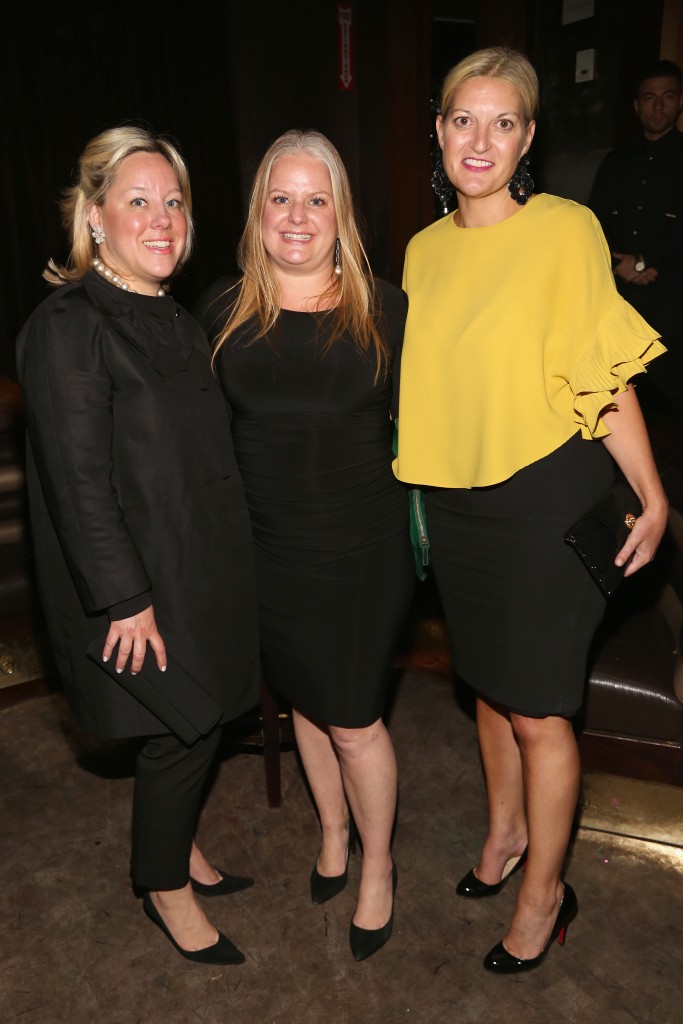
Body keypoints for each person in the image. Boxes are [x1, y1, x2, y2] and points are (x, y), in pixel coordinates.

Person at [394, 47, 669, 974]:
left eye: (502, 122)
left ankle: (546, 894)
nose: (480, 140)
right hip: (459, 506)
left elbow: (601, 370)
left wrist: (654, 490)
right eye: (462, 120)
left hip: (546, 497)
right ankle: (504, 833)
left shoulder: (564, 231)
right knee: (486, 687)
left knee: (542, 712)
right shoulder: (422, 252)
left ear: (528, 138)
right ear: (438, 132)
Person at [15, 125, 261, 966]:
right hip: (139, 581)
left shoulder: (176, 319)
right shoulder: (68, 327)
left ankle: (178, 846)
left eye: (173, 201)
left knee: (202, 725)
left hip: (199, 564)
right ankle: (161, 883)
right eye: (137, 202)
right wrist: (124, 599)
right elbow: (76, 483)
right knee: (182, 729)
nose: (162, 219)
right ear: (92, 218)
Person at [195, 129, 413, 961]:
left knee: (353, 718)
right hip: (266, 550)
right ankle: (331, 834)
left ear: (339, 214)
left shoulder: (385, 307)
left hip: (362, 549)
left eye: (315, 198)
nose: (297, 215)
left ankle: (379, 865)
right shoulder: (220, 308)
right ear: (258, 213)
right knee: (305, 706)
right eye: (280, 198)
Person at [588, 59, 683, 422]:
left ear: (679, 102)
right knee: (617, 399)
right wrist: (619, 264)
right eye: (649, 97)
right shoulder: (615, 162)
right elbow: (592, 223)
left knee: (670, 403)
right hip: (619, 297)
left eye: (667, 96)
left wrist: (644, 262)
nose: (658, 106)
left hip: (673, 299)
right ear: (636, 105)